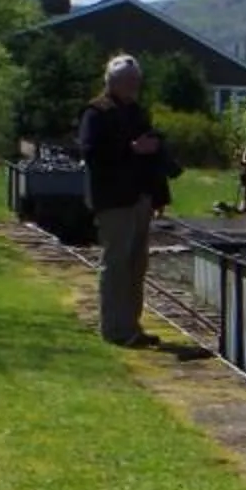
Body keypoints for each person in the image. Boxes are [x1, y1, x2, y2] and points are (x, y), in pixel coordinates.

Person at [75, 54, 175, 347]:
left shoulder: (137, 112)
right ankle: (114, 329)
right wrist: (131, 149)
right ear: (112, 82)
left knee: (136, 265)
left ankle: (132, 325)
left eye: (136, 81)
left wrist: (158, 194)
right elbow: (90, 152)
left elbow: (150, 157)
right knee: (116, 264)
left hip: (139, 196)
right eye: (129, 81)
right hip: (113, 199)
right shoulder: (96, 112)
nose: (135, 86)